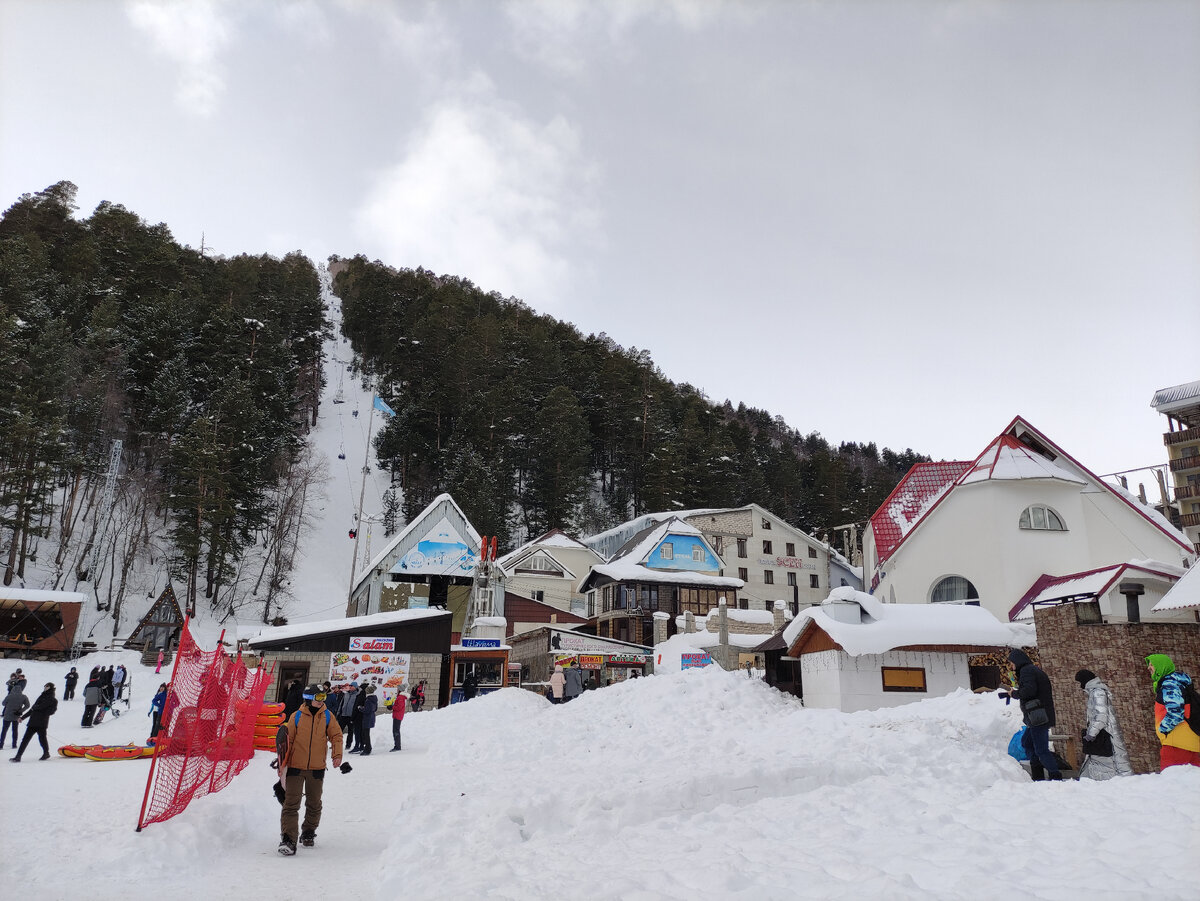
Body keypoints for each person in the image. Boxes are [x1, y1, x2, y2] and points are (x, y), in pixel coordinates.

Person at [277, 684, 343, 855]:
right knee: (291, 804)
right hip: (295, 767)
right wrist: (282, 763)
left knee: (314, 803)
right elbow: (286, 740)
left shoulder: (327, 716)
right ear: (308, 699)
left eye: (324, 698)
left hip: (317, 767)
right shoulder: (296, 716)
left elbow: (336, 735)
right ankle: (288, 839)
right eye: (318, 698)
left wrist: (337, 755)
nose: (322, 701)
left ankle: (308, 832)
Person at [1008, 649, 1062, 781]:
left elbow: (1029, 691)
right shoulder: (1031, 670)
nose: (1011, 666)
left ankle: (1056, 776)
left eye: (1011, 663)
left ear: (1017, 661)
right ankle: (1038, 775)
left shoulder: (1027, 671)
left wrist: (1014, 694)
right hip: (1037, 716)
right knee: (1027, 743)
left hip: (1038, 717)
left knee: (1041, 749)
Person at [1074, 669, 1132, 780]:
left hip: (1106, 735)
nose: (1079, 685)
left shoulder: (1097, 692)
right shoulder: (1095, 692)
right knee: (1102, 761)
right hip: (1104, 734)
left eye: (1080, 682)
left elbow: (1101, 716)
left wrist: (1091, 733)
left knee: (1113, 761)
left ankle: (1119, 782)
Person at [1145, 654, 1199, 770]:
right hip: (1193, 743)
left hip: (1176, 744)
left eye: (1152, 665)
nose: (1149, 668)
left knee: (1171, 784)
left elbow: (1175, 712)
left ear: (1161, 667)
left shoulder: (1169, 684)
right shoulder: (1181, 684)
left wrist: (1163, 729)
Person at [11, 682, 58, 762]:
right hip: (32, 722)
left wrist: (41, 711)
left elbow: (52, 711)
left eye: (47, 686)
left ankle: (46, 753)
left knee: (42, 739)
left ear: (51, 688)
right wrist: (22, 717)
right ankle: (18, 756)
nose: (45, 687)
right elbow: (32, 709)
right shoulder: (41, 696)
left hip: (42, 723)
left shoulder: (53, 699)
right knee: (25, 739)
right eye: (45, 686)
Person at [2, 682, 29, 749]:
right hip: (16, 715)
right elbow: (27, 705)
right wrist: (20, 711)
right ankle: (14, 744)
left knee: (4, 730)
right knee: (15, 730)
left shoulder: (9, 696)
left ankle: (1, 744)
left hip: (7, 715)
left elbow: (3, 703)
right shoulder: (23, 697)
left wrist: (9, 705)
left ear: (13, 689)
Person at [355, 683, 377, 755]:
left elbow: (367, 710)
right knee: (366, 734)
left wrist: (360, 708)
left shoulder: (368, 700)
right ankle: (368, 747)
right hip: (371, 718)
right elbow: (374, 709)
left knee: (366, 735)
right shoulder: (374, 699)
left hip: (367, 719)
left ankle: (367, 749)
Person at [350, 683, 366, 752]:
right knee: (361, 732)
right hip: (362, 717)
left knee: (357, 732)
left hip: (358, 717)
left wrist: (352, 718)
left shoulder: (360, 696)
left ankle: (357, 746)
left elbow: (356, 708)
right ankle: (361, 746)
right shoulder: (365, 696)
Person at [390, 687, 406, 752]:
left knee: (396, 731)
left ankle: (397, 746)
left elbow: (399, 707)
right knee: (395, 730)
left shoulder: (400, 697)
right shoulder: (400, 697)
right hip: (397, 715)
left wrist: (392, 707)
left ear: (399, 690)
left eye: (397, 689)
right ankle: (397, 745)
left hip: (398, 716)